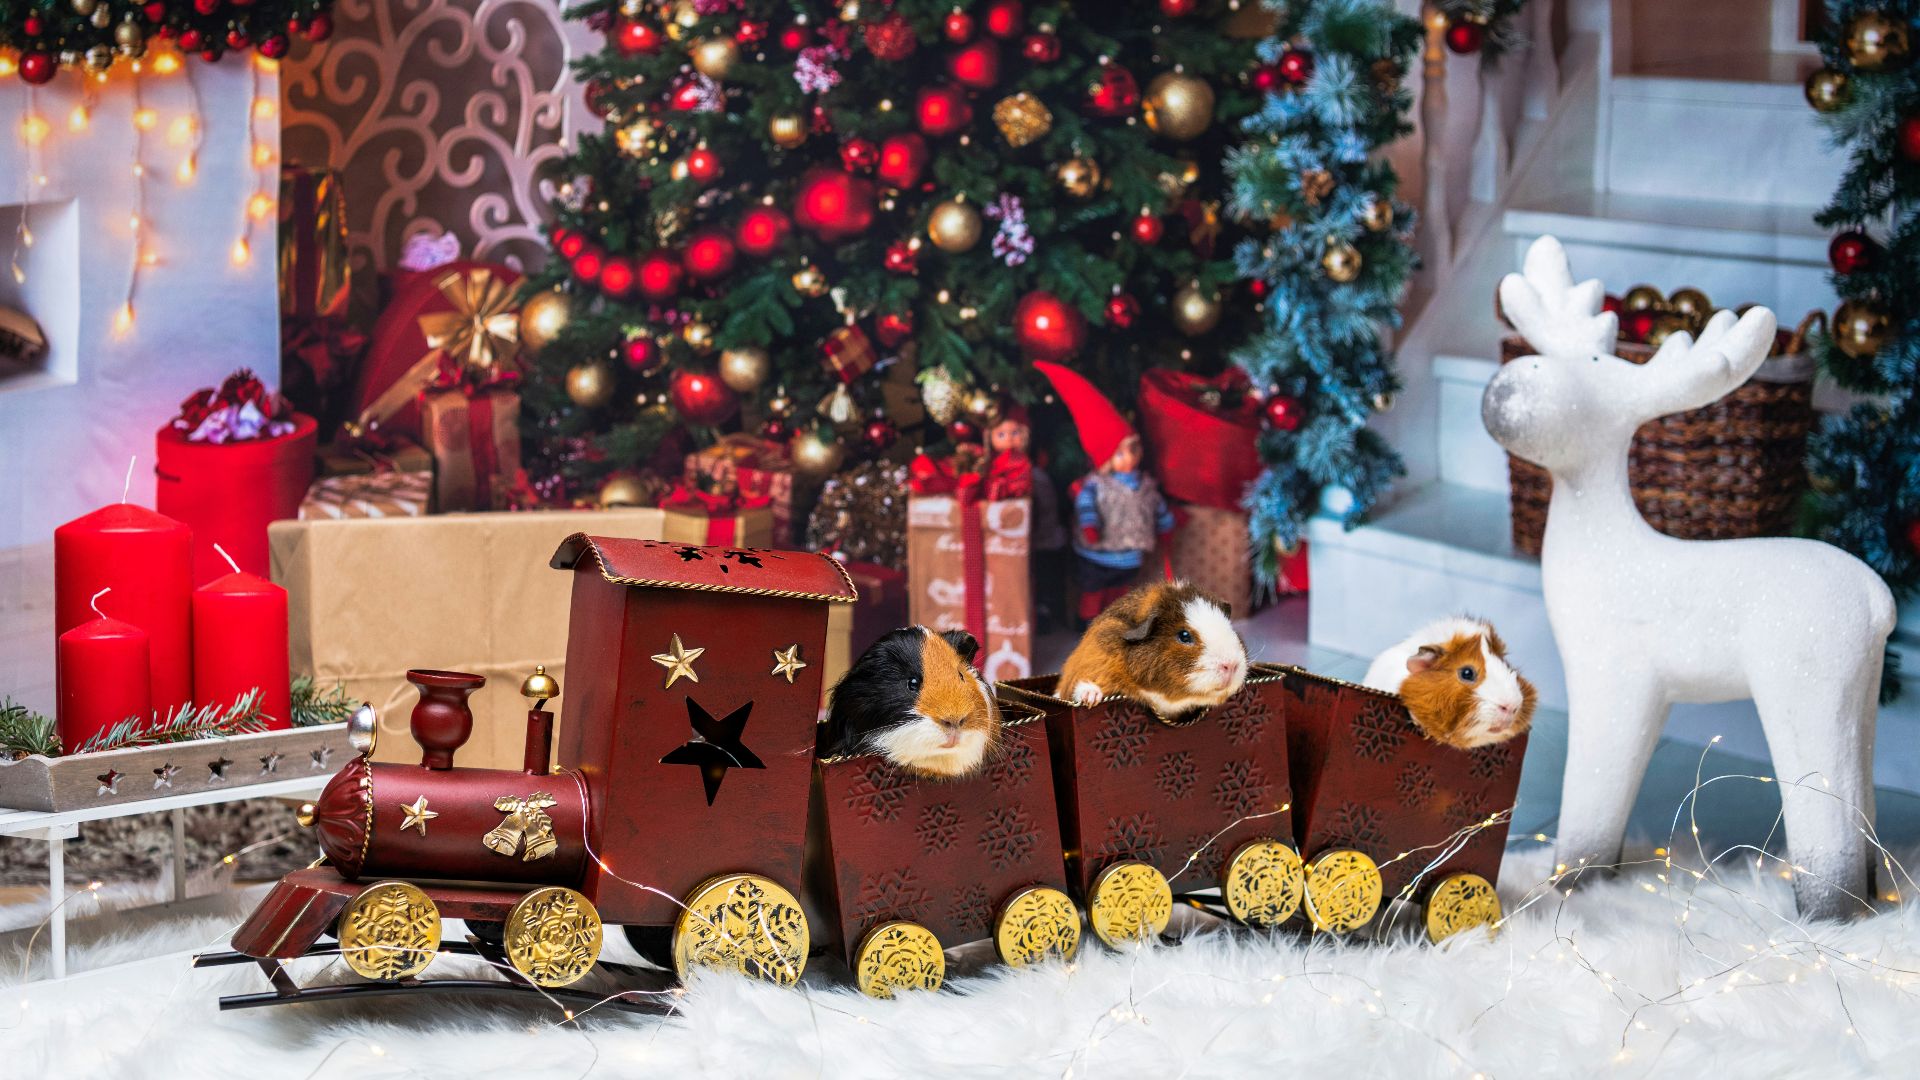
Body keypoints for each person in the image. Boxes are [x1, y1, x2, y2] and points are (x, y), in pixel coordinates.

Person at [1032, 361, 1172, 626]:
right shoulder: (1095, 484)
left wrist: (1166, 524)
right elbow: (1086, 505)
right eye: (1120, 452)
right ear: (1105, 457)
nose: (1129, 458)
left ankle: (1115, 621)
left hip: (1129, 555)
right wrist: (1090, 525)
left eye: (1133, 449)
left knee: (1120, 591)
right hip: (1096, 554)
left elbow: (1156, 504)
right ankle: (1087, 620)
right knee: (1093, 590)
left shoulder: (1144, 483)